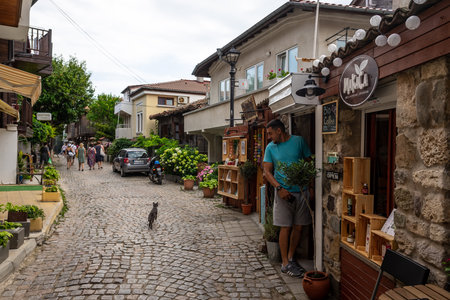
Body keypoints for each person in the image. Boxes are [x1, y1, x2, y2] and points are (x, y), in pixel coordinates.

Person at [263, 119, 312, 278]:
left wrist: (309, 186)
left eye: (270, 133)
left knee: (299, 227)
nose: (269, 137)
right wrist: (279, 188)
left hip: (301, 192)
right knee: (285, 227)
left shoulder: (298, 141)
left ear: (279, 131)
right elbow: (267, 172)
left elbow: (309, 162)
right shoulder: (270, 148)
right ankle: (284, 263)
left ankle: (291, 257)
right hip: (283, 193)